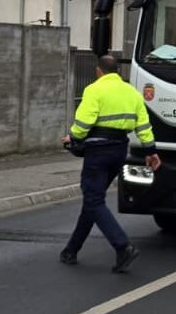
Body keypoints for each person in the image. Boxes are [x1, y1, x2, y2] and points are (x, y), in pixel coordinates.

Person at [60, 55, 161, 272]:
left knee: (94, 200)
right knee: (93, 201)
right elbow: (143, 126)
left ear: (99, 71)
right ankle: (71, 249)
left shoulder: (94, 90)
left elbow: (84, 122)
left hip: (98, 152)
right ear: (117, 71)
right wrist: (150, 151)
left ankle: (123, 246)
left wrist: (73, 137)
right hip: (118, 151)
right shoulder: (131, 93)